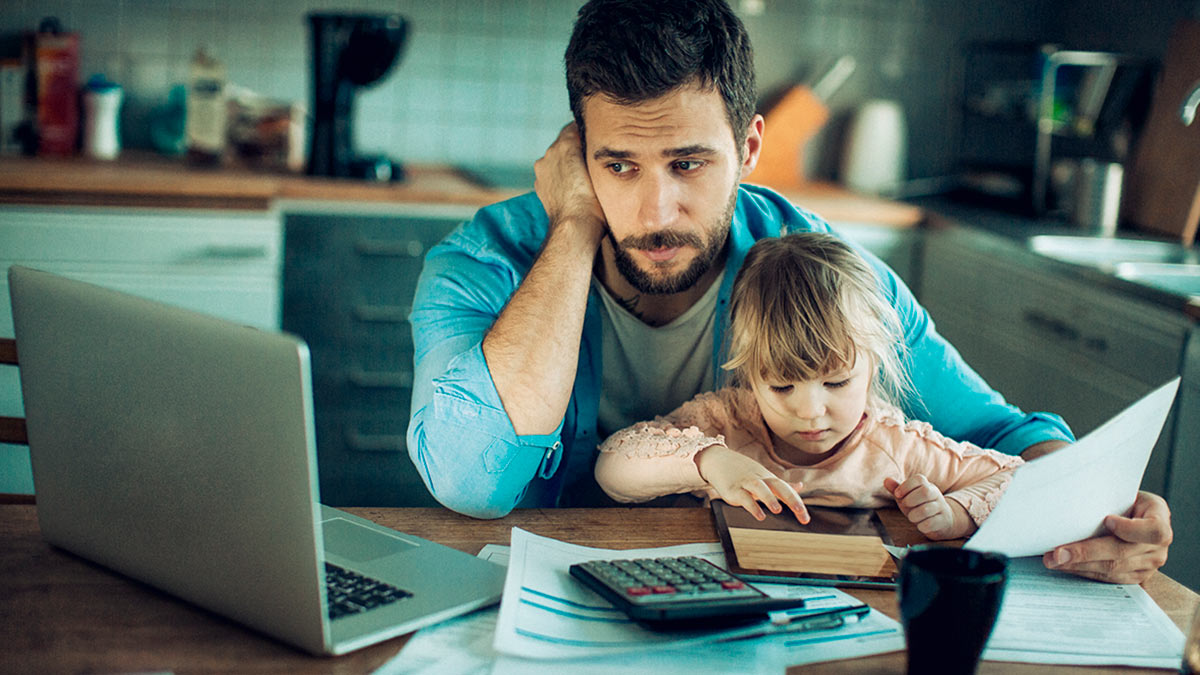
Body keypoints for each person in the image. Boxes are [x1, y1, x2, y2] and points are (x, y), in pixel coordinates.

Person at [406, 0, 1172, 584]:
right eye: (619, 165)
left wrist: (1088, 511)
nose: (655, 213)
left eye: (688, 164)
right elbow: (475, 482)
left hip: (747, 603)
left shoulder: (821, 275)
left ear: (748, 149)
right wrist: (572, 227)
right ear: (576, 153)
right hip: (544, 598)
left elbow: (1001, 433)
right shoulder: (486, 261)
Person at [595, 233, 1023, 541]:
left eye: (836, 382)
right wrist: (710, 462)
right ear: (749, 372)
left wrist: (956, 514)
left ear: (873, 365)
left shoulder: (897, 447)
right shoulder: (726, 421)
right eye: (782, 387)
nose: (811, 411)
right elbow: (611, 469)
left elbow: (1018, 478)